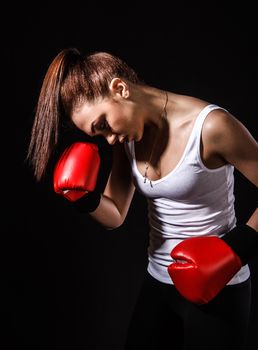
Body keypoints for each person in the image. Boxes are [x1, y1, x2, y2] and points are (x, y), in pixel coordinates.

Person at [27, 47, 258, 350]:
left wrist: (235, 250)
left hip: (218, 288)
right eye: (98, 135)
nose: (108, 138)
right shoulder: (126, 140)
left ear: (120, 89)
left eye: (103, 125)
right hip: (159, 281)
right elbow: (115, 215)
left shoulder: (211, 127)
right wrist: (83, 198)